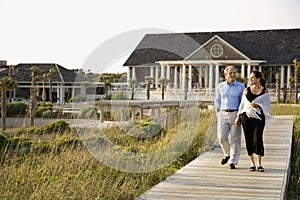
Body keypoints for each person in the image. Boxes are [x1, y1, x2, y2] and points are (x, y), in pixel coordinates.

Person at [236, 70, 271, 172]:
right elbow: (242, 105)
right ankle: (252, 163)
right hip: (246, 117)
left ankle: (259, 163)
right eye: (250, 78)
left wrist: (258, 105)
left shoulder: (265, 92)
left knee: (257, 138)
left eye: (252, 78)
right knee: (248, 139)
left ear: (258, 78)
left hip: (259, 117)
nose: (250, 79)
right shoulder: (246, 90)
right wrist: (238, 116)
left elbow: (268, 105)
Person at [215, 66, 245, 169]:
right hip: (222, 114)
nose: (232, 75)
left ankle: (233, 161)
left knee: (235, 139)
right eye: (230, 73)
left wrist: (239, 115)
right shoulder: (220, 86)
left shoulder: (241, 87)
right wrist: (218, 111)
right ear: (225, 75)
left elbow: (242, 102)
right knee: (221, 137)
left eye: (234, 73)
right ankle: (227, 154)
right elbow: (217, 100)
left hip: (235, 113)